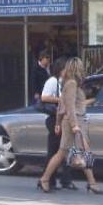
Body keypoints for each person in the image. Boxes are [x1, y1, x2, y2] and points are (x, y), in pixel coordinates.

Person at [38, 57, 103, 195]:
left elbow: (63, 105)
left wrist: (58, 123)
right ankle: (45, 179)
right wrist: (74, 125)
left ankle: (92, 183)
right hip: (74, 123)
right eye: (81, 67)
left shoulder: (71, 84)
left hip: (77, 122)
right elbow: (69, 107)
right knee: (66, 153)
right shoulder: (72, 84)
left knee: (70, 152)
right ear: (77, 68)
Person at [41, 58, 75, 190]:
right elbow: (44, 97)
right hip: (54, 118)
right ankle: (49, 179)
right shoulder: (53, 81)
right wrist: (61, 99)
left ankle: (64, 179)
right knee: (55, 151)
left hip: (63, 119)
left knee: (65, 151)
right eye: (66, 68)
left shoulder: (65, 82)